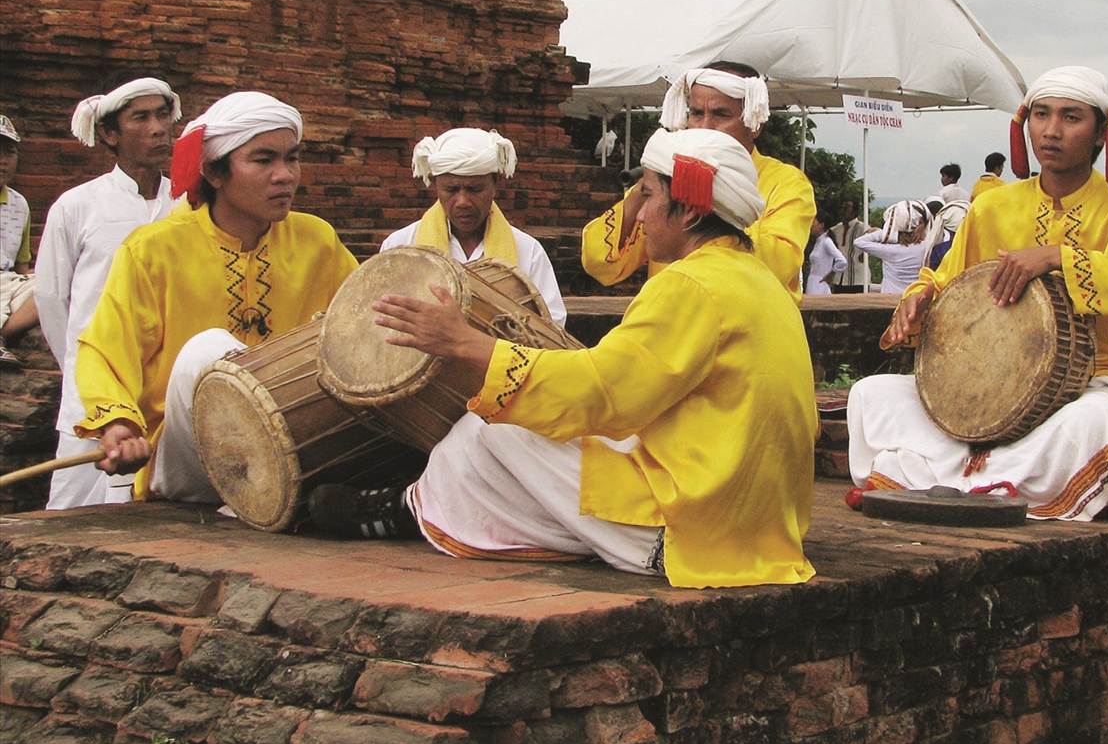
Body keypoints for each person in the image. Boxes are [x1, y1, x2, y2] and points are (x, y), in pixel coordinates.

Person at [310, 128, 818, 589]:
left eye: (647, 195)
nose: (638, 215)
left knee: (490, 429)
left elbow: (600, 394)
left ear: (687, 210)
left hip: (697, 530)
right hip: (758, 524)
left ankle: (409, 509)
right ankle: (414, 508)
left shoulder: (690, 284)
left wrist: (464, 343)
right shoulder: (760, 281)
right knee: (517, 430)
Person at [846, 66, 1108, 521]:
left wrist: (1059, 257)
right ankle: (977, 482)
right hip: (988, 384)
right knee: (871, 394)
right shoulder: (993, 205)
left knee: (1092, 420)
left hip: (1094, 379)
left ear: (1102, 133)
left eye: (1071, 117)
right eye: (1040, 115)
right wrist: (918, 300)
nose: (1051, 131)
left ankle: (972, 482)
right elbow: (943, 280)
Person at [73, 91, 358, 503]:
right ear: (214, 172)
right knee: (207, 353)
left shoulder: (318, 240)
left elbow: (361, 324)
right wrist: (119, 423)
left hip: (292, 447)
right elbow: (104, 349)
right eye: (264, 160)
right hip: (189, 459)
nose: (285, 175)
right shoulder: (153, 249)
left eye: (291, 158)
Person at [33, 78, 181, 507]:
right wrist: (85, 372)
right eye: (141, 117)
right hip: (93, 393)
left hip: (163, 386)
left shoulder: (188, 204)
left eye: (163, 115)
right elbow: (51, 298)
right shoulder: (78, 205)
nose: (158, 128)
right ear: (110, 135)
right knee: (74, 505)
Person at [580, 62, 815, 298]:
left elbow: (781, 263)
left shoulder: (787, 182)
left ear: (755, 124)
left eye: (721, 114)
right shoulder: (663, 178)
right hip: (672, 319)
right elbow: (598, 262)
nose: (705, 126)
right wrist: (647, 187)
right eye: (696, 113)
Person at [380, 127, 566, 325]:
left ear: (496, 182)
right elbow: (380, 322)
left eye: (474, 189)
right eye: (451, 189)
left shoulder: (528, 251)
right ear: (435, 184)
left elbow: (552, 325)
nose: (462, 201)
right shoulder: (400, 247)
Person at [0, 115, 39, 370]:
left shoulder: (19, 204)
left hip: (6, 283)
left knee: (54, 283)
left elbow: (21, 267)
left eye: (9, 152)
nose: (3, 160)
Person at [854, 200, 930, 295]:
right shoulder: (927, 247)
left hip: (890, 297)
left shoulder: (889, 251)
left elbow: (859, 242)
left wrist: (887, 233)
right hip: (915, 296)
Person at [829, 198, 869, 293]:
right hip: (840, 278)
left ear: (854, 211)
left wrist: (866, 254)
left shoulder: (862, 228)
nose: (842, 212)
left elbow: (877, 240)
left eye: (846, 209)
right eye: (841, 209)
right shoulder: (837, 229)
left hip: (858, 278)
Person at [804, 210, 848, 296]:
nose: (811, 225)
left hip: (819, 284)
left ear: (821, 225)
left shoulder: (826, 242)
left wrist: (831, 274)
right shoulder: (819, 242)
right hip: (813, 282)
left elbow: (842, 260)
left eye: (813, 222)